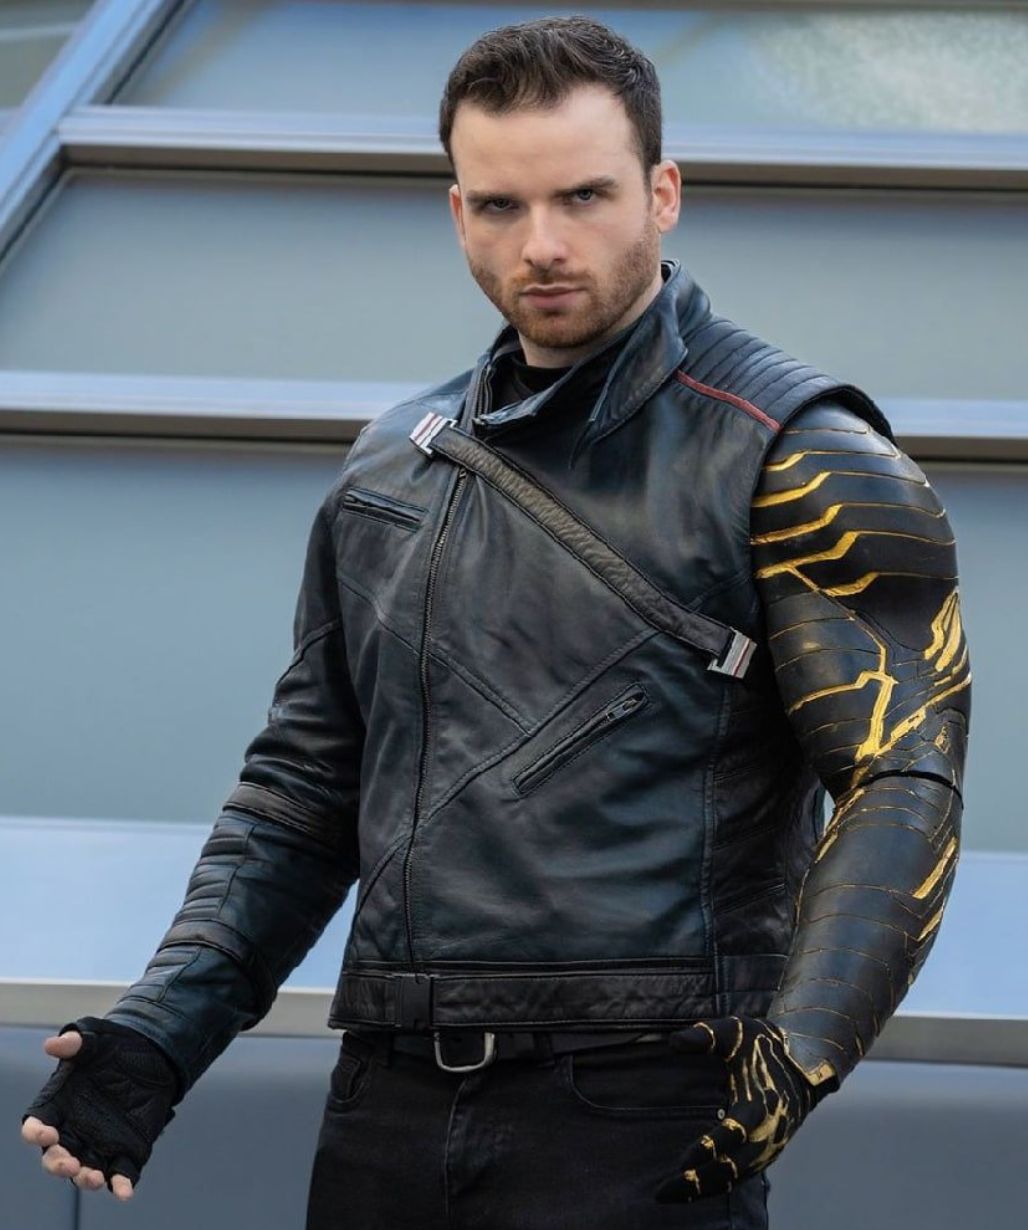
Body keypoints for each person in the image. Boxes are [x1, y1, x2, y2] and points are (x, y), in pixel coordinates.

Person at [22, 16, 970, 1230]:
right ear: (455, 211)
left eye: (583, 196)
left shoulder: (806, 457)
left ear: (661, 192)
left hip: (645, 1101)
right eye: (499, 205)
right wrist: (161, 1030)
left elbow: (901, 778)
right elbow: (305, 787)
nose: (542, 244)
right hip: (384, 1100)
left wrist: (796, 1057)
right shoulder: (391, 467)